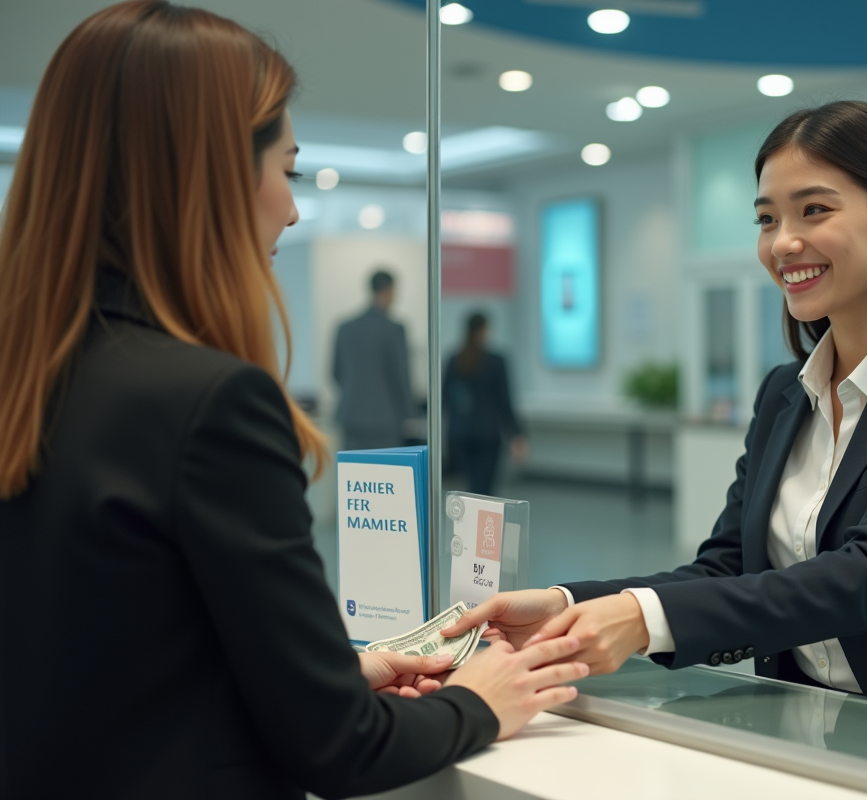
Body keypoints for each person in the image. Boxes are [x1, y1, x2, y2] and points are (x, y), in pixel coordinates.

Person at [0, 4, 586, 799]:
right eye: (289, 170)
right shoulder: (209, 403)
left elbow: (115, 657)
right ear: (209, 175)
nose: (294, 207)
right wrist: (475, 705)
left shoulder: (31, 378)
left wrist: (326, 670)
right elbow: (340, 748)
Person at [444, 100, 867, 729]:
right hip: (804, 723)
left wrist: (640, 619)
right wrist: (564, 603)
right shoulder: (785, 393)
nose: (783, 243)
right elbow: (727, 565)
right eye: (767, 218)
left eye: (815, 209)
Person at [445, 312, 527, 495]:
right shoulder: (496, 362)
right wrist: (517, 434)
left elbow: (446, 400)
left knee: (471, 487)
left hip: (461, 434)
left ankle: (472, 522)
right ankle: (484, 523)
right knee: (485, 490)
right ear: (483, 330)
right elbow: (505, 403)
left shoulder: (454, 361)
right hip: (487, 435)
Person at [333, 269, 414, 451]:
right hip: (385, 418)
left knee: (353, 475)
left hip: (351, 415)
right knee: (385, 475)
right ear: (390, 290)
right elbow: (400, 376)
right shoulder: (394, 329)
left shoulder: (345, 327)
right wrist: (409, 414)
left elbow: (336, 373)